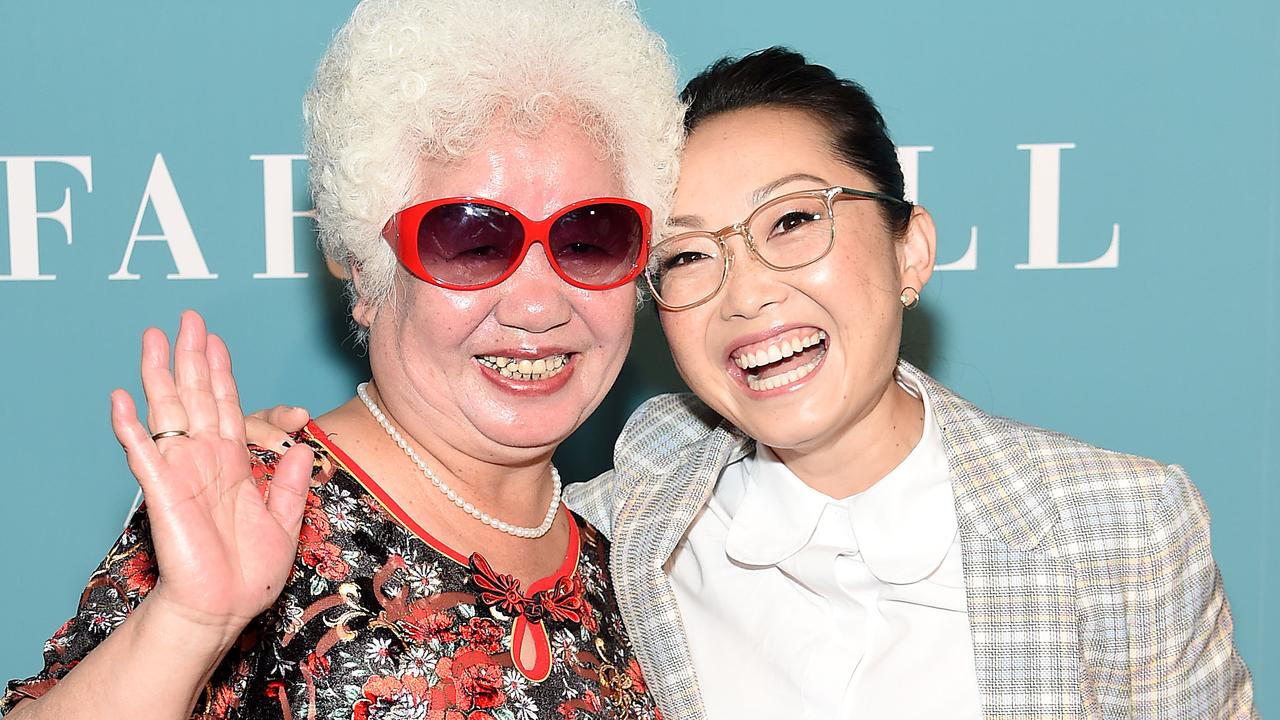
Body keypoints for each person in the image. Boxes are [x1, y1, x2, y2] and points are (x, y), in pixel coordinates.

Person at [1, 1, 680, 718]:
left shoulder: (641, 564)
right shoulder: (255, 509)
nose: (537, 306)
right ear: (363, 270)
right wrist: (189, 622)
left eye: (589, 237)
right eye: (472, 241)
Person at [559, 48, 1256, 719]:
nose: (746, 295)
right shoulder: (608, 536)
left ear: (910, 251)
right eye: (685, 255)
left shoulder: (1124, 534)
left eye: (794, 221)